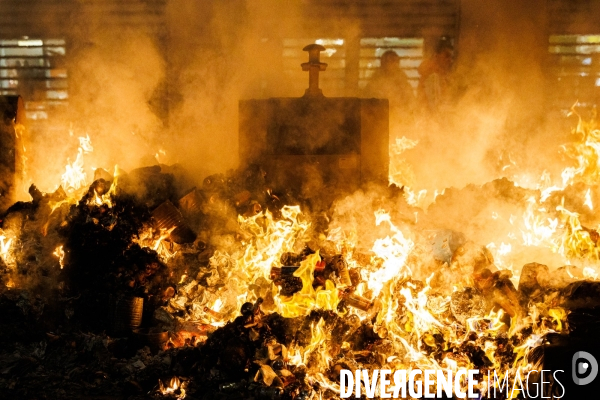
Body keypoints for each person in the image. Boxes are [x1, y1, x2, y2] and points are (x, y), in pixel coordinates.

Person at [418, 37, 454, 113]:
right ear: (436, 56)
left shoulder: (440, 75)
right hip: (432, 122)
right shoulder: (432, 76)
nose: (450, 60)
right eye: (446, 55)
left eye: (451, 57)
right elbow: (434, 107)